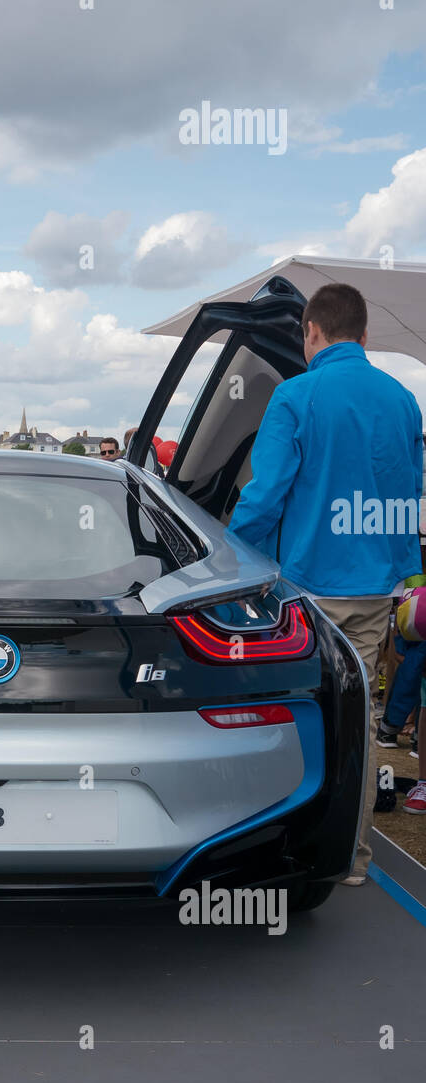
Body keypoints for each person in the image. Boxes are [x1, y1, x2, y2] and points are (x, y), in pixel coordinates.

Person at [228, 281, 423, 885]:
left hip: (306, 589)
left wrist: (228, 555)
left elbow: (265, 496)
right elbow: (409, 494)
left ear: (310, 333)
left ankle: (280, 844)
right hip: (377, 587)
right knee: (358, 722)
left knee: (284, 716)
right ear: (364, 335)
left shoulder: (295, 395)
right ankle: (353, 858)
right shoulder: (403, 400)